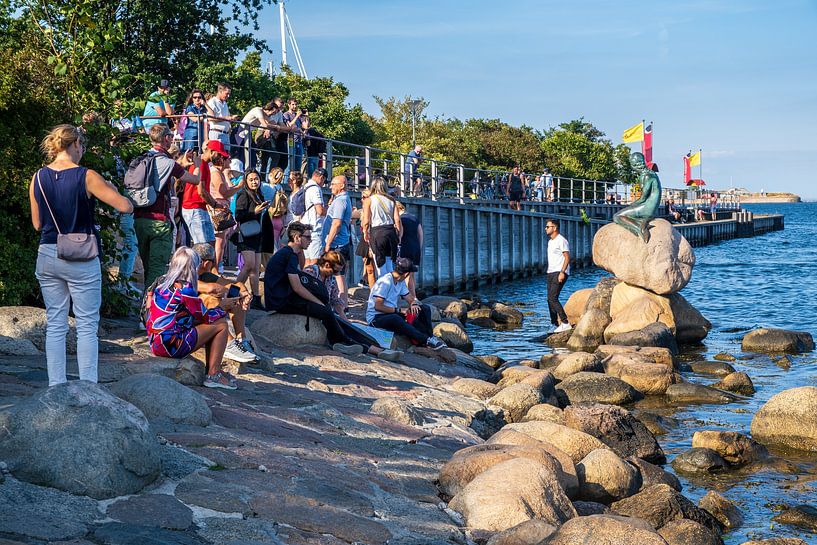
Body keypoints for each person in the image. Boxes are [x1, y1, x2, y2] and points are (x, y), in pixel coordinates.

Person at [30, 125, 133, 386]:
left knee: (55, 322)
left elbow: (37, 224)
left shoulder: (38, 177)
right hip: (81, 256)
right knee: (87, 324)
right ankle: (88, 386)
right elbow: (125, 206)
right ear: (75, 144)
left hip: (48, 252)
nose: (82, 151)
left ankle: (56, 386)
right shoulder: (87, 176)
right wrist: (111, 187)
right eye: (82, 146)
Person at [264, 222, 401, 359]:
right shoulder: (289, 255)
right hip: (280, 300)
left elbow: (300, 276)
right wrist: (318, 303)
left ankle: (372, 348)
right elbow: (297, 287)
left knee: (335, 317)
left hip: (284, 297)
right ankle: (340, 342)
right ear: (297, 238)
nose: (311, 241)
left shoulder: (291, 254)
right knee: (326, 312)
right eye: (307, 237)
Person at [147, 247, 237, 389]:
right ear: (193, 267)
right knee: (221, 325)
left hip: (156, 342)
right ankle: (214, 375)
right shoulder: (185, 289)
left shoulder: (162, 283)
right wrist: (222, 306)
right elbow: (205, 316)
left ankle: (212, 370)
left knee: (210, 325)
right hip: (171, 345)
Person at [135, 124, 202, 289]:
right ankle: (152, 309)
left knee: (147, 266)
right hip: (159, 222)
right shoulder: (168, 162)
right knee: (157, 270)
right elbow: (195, 180)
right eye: (171, 137)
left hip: (140, 219)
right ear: (166, 139)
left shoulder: (142, 158)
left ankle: (146, 304)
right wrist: (198, 165)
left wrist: (182, 163)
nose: (172, 140)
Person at [191, 243, 258, 363]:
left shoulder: (205, 275)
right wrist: (232, 292)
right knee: (211, 298)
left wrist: (244, 293)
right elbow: (210, 288)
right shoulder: (187, 274)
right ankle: (228, 343)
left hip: (197, 318)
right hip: (185, 323)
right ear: (206, 263)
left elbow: (235, 284)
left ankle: (241, 340)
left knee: (235, 294)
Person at [366, 258, 446, 350]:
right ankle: (425, 340)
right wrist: (399, 310)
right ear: (406, 274)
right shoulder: (385, 282)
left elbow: (409, 298)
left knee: (424, 308)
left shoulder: (400, 281)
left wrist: (414, 304)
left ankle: (430, 337)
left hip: (391, 313)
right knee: (395, 318)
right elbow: (378, 306)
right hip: (375, 318)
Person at [234, 170, 269, 310]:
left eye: (256, 179)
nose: (254, 182)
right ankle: (233, 291)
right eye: (251, 180)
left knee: (255, 268)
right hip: (246, 235)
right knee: (248, 265)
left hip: (257, 234)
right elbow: (238, 215)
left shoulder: (259, 194)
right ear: (246, 181)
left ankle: (255, 298)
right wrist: (254, 211)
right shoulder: (243, 194)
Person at [207, 139, 244, 271]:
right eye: (227, 158)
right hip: (217, 209)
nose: (229, 161)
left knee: (220, 241)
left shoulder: (219, 173)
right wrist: (238, 187)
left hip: (220, 208)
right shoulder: (215, 173)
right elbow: (223, 192)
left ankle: (216, 266)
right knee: (219, 241)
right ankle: (215, 267)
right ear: (222, 159)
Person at [181, 141, 224, 246]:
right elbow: (201, 191)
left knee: (210, 245)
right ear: (212, 152)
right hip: (193, 208)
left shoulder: (203, 164)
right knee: (203, 248)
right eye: (219, 154)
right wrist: (215, 204)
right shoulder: (201, 164)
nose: (220, 157)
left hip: (199, 207)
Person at [362, 176, 402, 278]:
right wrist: (399, 235)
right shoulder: (391, 200)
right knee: (389, 264)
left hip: (377, 232)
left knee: (380, 264)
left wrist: (365, 233)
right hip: (391, 232)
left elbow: (366, 221)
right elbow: (397, 220)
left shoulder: (369, 200)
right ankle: (391, 290)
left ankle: (383, 289)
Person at [323, 175, 353, 308]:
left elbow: (337, 223)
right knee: (339, 276)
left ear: (342, 185)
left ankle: (341, 306)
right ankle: (343, 305)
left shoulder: (341, 201)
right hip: (342, 242)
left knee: (338, 276)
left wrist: (328, 243)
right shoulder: (341, 199)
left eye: (333, 184)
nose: (330, 186)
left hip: (337, 244)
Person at [545, 219, 571, 333]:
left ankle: (565, 323)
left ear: (554, 228)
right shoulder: (550, 241)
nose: (545, 228)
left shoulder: (562, 240)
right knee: (549, 299)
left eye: (547, 226)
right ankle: (554, 324)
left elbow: (567, 257)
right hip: (551, 272)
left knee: (553, 298)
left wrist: (562, 272)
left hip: (559, 272)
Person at [237, 100, 278, 172]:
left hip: (248, 133)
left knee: (253, 157)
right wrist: (268, 128)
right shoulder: (258, 110)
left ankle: (249, 173)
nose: (273, 115)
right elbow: (263, 122)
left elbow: (273, 123)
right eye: (273, 112)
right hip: (240, 131)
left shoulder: (266, 115)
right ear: (268, 109)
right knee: (240, 155)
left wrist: (275, 127)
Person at [301, 167, 328, 266]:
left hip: (305, 226)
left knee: (306, 261)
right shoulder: (315, 189)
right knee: (315, 262)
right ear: (321, 177)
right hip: (314, 228)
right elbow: (320, 211)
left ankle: (305, 281)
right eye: (324, 182)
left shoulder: (306, 186)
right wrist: (329, 209)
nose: (323, 184)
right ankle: (313, 280)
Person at [395, 202, 423, 299]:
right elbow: (420, 234)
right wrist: (419, 247)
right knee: (411, 274)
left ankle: (412, 297)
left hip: (404, 247)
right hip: (415, 247)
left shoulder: (400, 219)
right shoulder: (414, 218)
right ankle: (411, 294)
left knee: (405, 274)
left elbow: (398, 233)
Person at [205, 83, 238, 149]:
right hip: (216, 133)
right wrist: (226, 118)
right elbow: (210, 118)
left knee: (226, 157)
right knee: (217, 156)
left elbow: (227, 117)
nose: (228, 96)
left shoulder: (225, 103)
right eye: (227, 93)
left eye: (229, 94)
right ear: (220, 92)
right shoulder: (212, 102)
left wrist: (232, 118)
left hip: (226, 134)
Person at [282, 98, 305, 182]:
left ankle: (296, 182)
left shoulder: (299, 116)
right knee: (289, 164)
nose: (295, 106)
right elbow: (289, 126)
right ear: (289, 105)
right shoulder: (286, 114)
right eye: (293, 104)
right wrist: (297, 116)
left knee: (298, 165)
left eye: (296, 104)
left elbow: (305, 126)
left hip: (299, 141)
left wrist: (306, 116)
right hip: (290, 141)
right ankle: (286, 182)